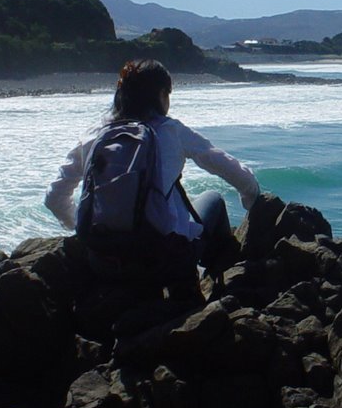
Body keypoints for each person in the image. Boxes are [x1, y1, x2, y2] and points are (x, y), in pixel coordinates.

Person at [45, 59, 260, 295]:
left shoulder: (95, 135)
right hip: (161, 263)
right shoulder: (171, 130)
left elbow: (54, 198)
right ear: (160, 95)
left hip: (103, 264)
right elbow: (232, 171)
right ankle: (207, 287)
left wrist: (79, 229)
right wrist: (252, 201)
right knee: (213, 199)